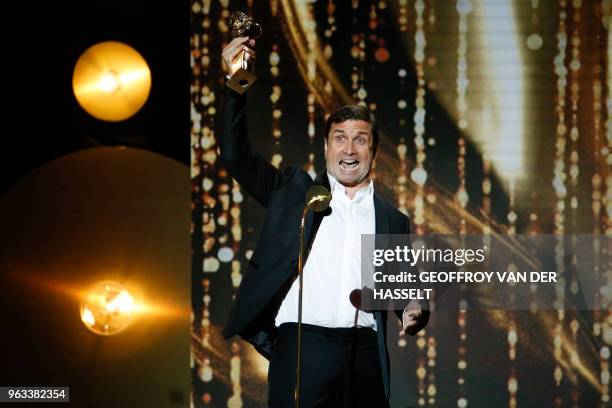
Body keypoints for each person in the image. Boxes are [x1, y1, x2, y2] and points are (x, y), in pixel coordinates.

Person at [219, 36, 429, 407]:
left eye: (360, 140)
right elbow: (236, 155)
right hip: (302, 346)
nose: (349, 150)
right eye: (340, 139)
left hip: (364, 351)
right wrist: (235, 84)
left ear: (373, 150)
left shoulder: (393, 220)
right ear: (327, 147)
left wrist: (414, 308)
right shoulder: (293, 191)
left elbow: (403, 292)